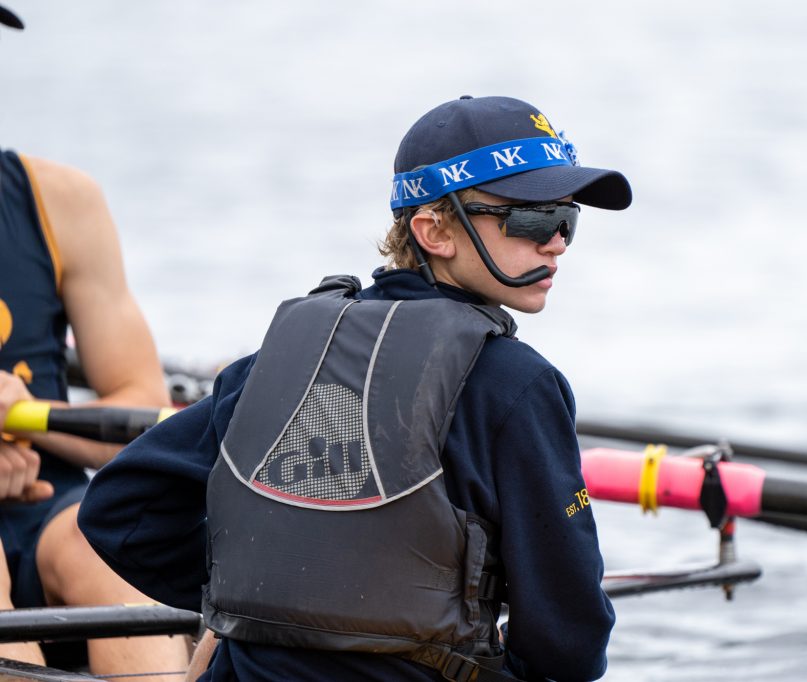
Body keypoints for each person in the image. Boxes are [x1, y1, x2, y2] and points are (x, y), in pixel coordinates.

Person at [79, 94, 633, 681]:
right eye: (532, 220)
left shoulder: (278, 357)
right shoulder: (520, 386)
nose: (558, 243)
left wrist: (262, 602)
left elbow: (123, 509)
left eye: (567, 218)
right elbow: (567, 640)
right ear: (434, 231)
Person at [0, 6, 190, 677]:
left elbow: (141, 410)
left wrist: (29, 423)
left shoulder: (61, 202)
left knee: (111, 550)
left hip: (49, 506)